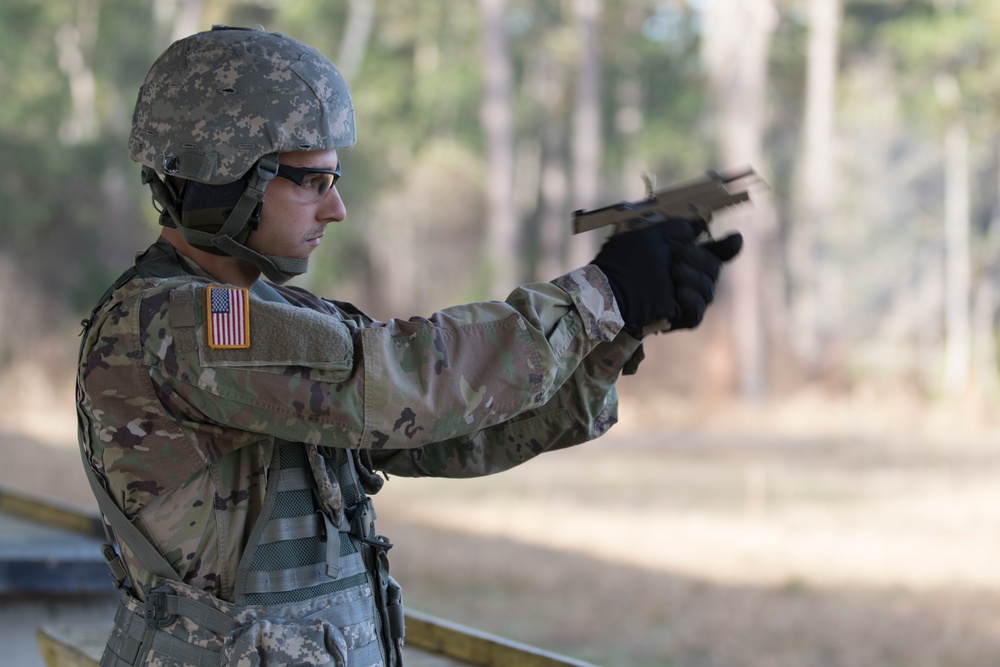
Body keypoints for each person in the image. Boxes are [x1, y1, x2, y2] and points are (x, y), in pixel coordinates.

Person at [76, 25, 742, 667]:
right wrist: (601, 293)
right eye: (311, 180)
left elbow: (455, 433)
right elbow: (401, 384)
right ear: (224, 176)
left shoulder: (274, 316)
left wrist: (618, 325)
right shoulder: (169, 324)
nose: (335, 209)